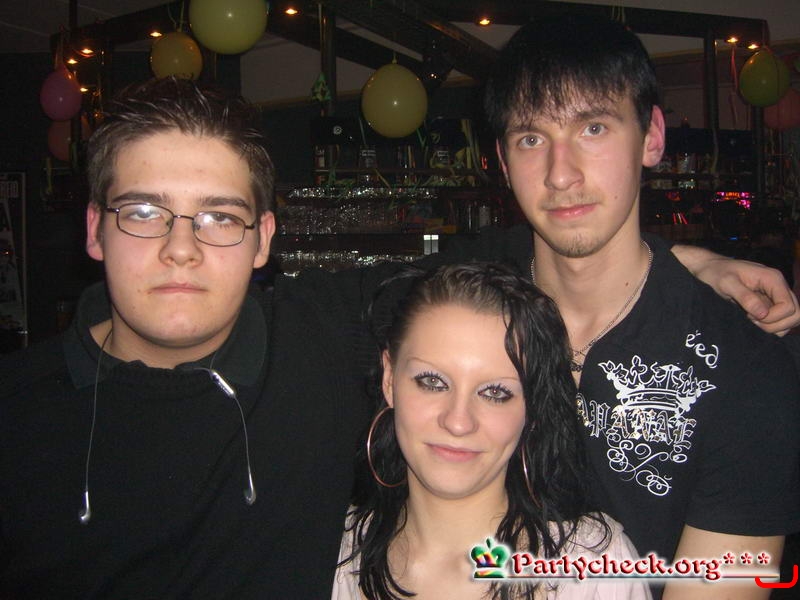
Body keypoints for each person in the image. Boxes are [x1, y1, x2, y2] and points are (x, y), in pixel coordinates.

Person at [0, 76, 796, 598]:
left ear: (265, 238)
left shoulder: (319, 336)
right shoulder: (17, 417)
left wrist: (683, 262)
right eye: (144, 212)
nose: (181, 248)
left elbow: (501, 263)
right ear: (95, 229)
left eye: (219, 216)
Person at [445, 15, 800, 599]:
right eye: (531, 138)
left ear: (652, 137)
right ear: (503, 162)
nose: (561, 175)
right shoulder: (451, 307)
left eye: (593, 128)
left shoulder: (747, 365)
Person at [333, 262, 650, 599]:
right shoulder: (327, 554)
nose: (458, 422)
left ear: (530, 406)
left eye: (495, 392)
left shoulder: (593, 572)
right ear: (389, 379)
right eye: (432, 382)